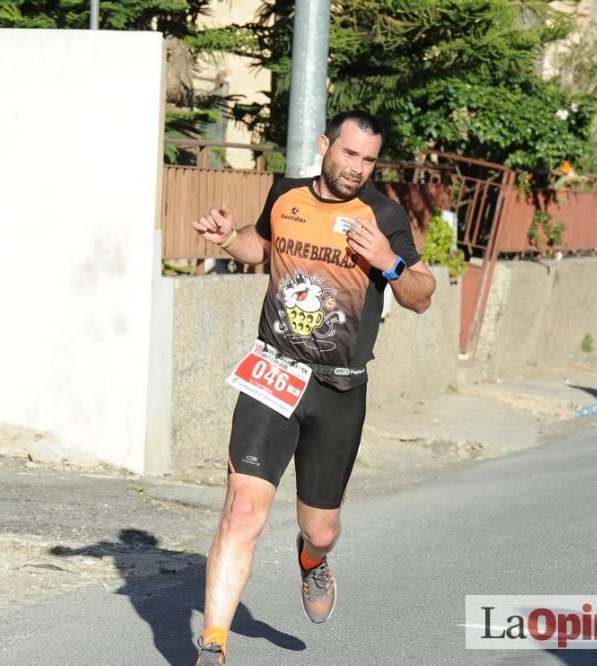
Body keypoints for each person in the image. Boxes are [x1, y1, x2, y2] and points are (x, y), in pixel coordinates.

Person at [190, 110, 436, 665]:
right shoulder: (287, 194)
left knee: (320, 527)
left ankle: (312, 559)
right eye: (350, 154)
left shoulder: (382, 215)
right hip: (274, 374)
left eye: (368, 160)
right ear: (327, 145)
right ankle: (214, 643)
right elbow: (261, 246)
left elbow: (422, 294)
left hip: (340, 390)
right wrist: (229, 238)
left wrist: (389, 263)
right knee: (241, 511)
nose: (357, 168)